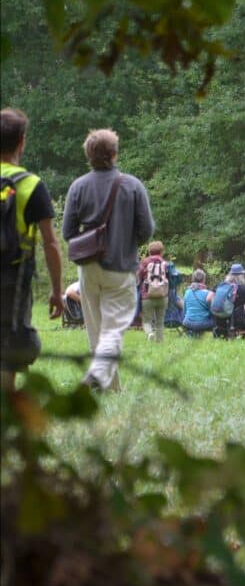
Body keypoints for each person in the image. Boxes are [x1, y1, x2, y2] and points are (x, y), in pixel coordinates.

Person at [62, 128, 154, 392]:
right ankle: (99, 375)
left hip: (88, 268)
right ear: (114, 154)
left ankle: (110, 387)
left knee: (96, 330)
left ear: (88, 155)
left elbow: (68, 232)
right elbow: (146, 230)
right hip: (121, 266)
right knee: (114, 329)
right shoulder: (132, 185)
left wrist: (90, 239)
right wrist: (124, 239)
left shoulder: (78, 186)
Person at [1, 108, 64, 391]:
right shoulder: (32, 184)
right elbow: (51, 243)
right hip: (14, 279)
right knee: (10, 349)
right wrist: (56, 290)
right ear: (22, 142)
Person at [210, 263, 245, 338]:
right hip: (238, 322)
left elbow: (209, 298)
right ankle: (243, 333)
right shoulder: (244, 289)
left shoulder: (219, 286)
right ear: (241, 276)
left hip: (219, 321)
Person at [136, 241, 170, 342]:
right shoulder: (165, 264)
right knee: (160, 321)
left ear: (149, 251)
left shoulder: (145, 262)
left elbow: (139, 277)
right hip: (163, 296)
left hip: (147, 296)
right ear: (161, 252)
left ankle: (150, 333)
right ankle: (159, 341)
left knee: (146, 320)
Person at [181, 269, 214, 336]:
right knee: (215, 320)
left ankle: (193, 333)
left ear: (193, 279)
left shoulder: (187, 292)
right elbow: (212, 311)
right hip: (202, 324)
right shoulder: (208, 293)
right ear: (204, 280)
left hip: (188, 323)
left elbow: (184, 310)